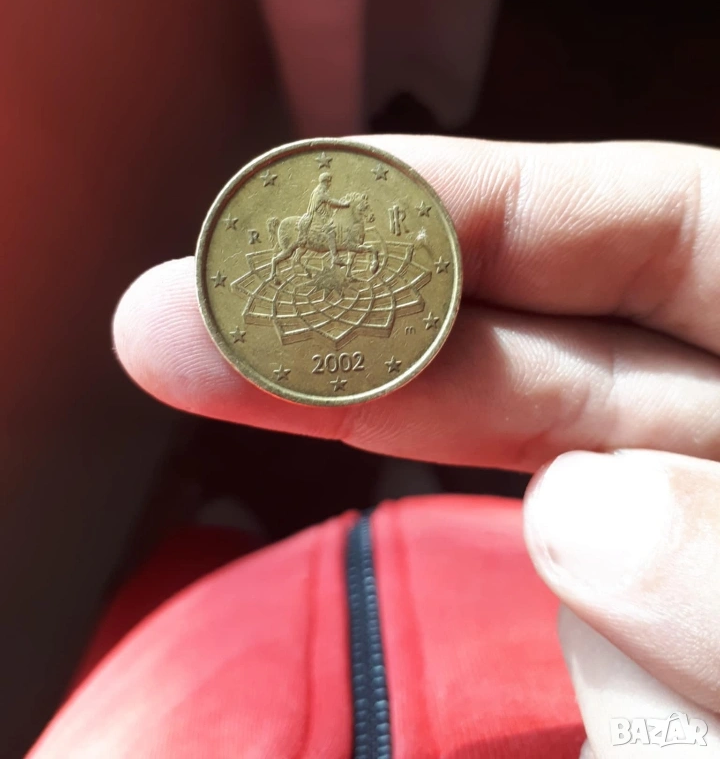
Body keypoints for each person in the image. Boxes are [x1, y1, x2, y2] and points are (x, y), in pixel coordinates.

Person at [28, 136, 720, 758]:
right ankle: (388, 494)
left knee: (198, 554)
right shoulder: (317, 232)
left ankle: (245, 513)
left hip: (241, 630)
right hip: (480, 568)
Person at [296, 173, 351, 265]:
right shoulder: (320, 192)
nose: (330, 184)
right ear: (325, 182)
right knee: (331, 231)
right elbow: (330, 201)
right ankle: (335, 257)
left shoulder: (320, 190)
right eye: (329, 182)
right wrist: (344, 204)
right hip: (318, 217)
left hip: (322, 215)